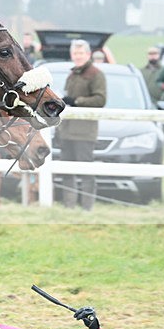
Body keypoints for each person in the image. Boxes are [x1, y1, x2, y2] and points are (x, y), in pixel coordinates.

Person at [55, 39, 106, 211]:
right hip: (67, 130)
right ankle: (69, 206)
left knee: (85, 171)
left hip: (84, 131)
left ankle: (87, 208)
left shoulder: (96, 74)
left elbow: (100, 99)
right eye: (75, 53)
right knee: (67, 170)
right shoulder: (72, 74)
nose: (77, 56)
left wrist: (77, 101)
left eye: (81, 53)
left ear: (88, 54)